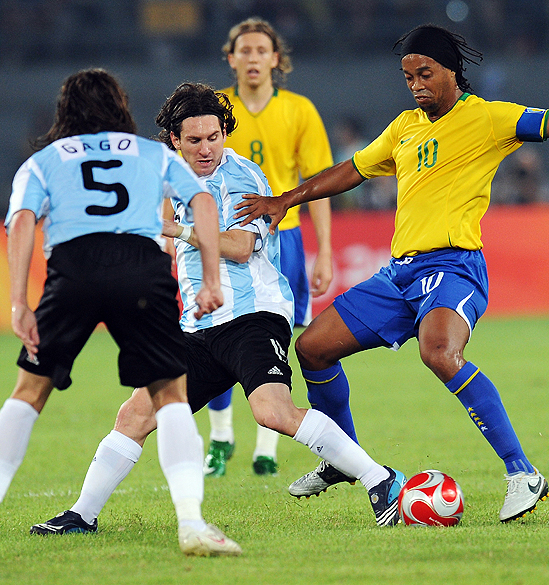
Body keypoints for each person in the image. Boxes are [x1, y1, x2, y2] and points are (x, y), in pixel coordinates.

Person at [235, 24, 549, 523]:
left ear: (451, 70)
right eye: (408, 77)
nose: (416, 84)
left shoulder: (488, 119)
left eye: (424, 73)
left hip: (453, 264)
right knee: (313, 349)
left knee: (439, 351)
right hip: (399, 275)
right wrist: (285, 199)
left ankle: (523, 473)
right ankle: (343, 459)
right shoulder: (405, 126)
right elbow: (352, 171)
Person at [30, 83, 406, 539]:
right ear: (175, 140)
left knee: (273, 413)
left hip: (253, 316)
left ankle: (380, 480)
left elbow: (242, 247)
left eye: (214, 136)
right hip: (198, 328)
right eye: (194, 140)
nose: (206, 148)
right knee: (134, 415)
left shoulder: (243, 178)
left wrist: (176, 227)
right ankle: (81, 516)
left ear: (224, 132)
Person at [0, 69, 236, 556]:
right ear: (120, 107)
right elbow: (202, 205)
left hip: (73, 269)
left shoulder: (42, 162)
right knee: (170, 395)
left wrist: (20, 302)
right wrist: (211, 279)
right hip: (141, 272)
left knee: (29, 392)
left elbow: (21, 221)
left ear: (66, 111)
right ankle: (191, 522)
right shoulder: (153, 155)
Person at [202, 17, 335, 478]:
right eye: (245, 50)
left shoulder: (299, 110)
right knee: (212, 330)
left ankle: (266, 447)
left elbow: (316, 183)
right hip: (224, 236)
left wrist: (325, 250)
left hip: (286, 238)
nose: (253, 57)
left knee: (274, 336)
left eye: (262, 50)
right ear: (231, 57)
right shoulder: (215, 112)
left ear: (276, 59)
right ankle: (220, 439)